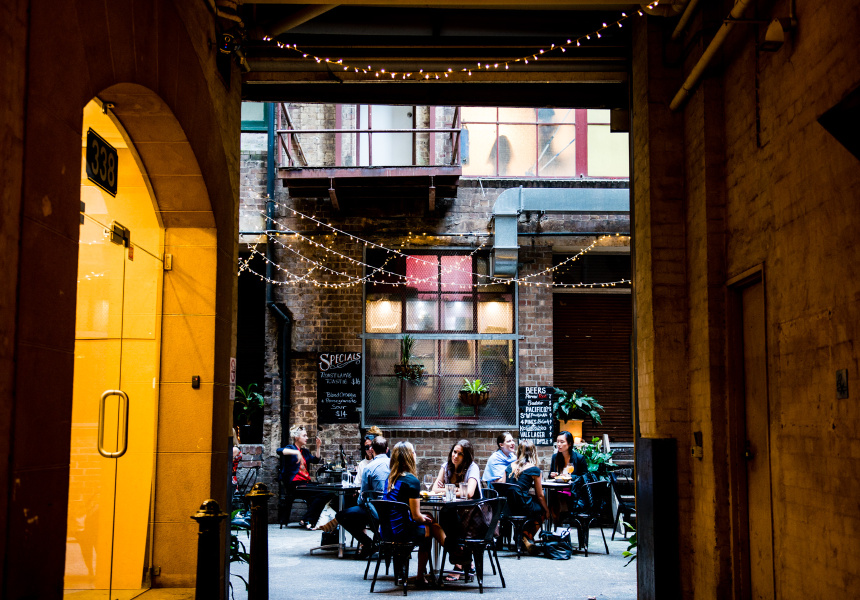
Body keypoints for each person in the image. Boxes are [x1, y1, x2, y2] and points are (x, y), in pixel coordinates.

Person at [318, 436, 390, 558]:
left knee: (342, 516)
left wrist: (359, 503)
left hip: (375, 510)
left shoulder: (369, 467)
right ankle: (380, 541)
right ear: (387, 450)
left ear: (372, 450)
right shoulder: (395, 465)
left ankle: (369, 543)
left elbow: (363, 494)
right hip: (393, 508)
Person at [383, 441, 444, 587]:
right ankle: (420, 577)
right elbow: (416, 516)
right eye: (414, 452)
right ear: (410, 456)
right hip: (401, 532)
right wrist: (425, 519)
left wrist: (424, 517)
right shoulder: (411, 481)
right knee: (428, 528)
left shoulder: (390, 478)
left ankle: (411, 574)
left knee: (429, 519)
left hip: (386, 531)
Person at [276, 425, 333, 529]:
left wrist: (318, 447)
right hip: (294, 485)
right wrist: (296, 452)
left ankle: (307, 519)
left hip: (306, 483)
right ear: (297, 437)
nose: (307, 438)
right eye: (304, 436)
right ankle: (309, 520)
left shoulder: (305, 452)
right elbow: (279, 450)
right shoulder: (291, 448)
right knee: (323, 493)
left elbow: (315, 460)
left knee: (327, 492)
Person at [500, 440, 548, 555]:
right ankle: (526, 535)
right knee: (541, 510)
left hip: (508, 507)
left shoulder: (509, 467)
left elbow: (503, 486)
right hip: (523, 506)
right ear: (533, 453)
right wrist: (547, 510)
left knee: (533, 502)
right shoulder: (534, 470)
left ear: (518, 452)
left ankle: (522, 537)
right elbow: (540, 495)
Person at [547, 431, 587, 526]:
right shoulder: (555, 457)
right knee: (552, 496)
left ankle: (560, 525)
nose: (559, 444)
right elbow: (550, 475)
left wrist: (571, 477)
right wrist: (552, 475)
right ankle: (560, 525)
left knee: (558, 498)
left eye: (562, 442)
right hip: (558, 489)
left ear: (569, 444)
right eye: (557, 442)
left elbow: (585, 477)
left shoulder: (579, 458)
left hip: (574, 491)